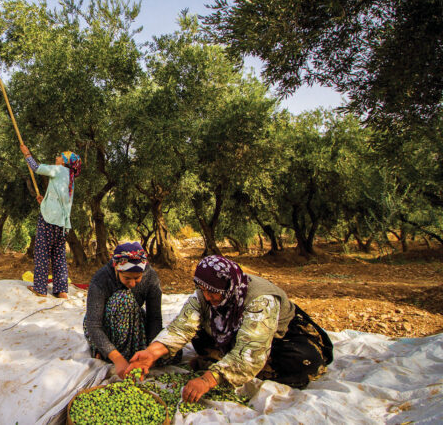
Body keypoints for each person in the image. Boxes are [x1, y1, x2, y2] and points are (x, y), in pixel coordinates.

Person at [125, 255, 334, 403]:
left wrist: (208, 379)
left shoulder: (260, 300)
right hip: (234, 334)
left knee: (302, 362)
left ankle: (231, 367)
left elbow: (252, 349)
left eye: (213, 292)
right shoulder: (204, 296)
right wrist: (151, 353)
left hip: (279, 337)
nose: (207, 297)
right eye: (203, 290)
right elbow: (180, 327)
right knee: (197, 334)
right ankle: (229, 364)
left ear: (229, 287)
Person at [83, 242, 172, 378]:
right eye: (127, 278)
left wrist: (149, 353)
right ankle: (109, 352)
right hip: (106, 326)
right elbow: (93, 325)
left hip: (133, 319)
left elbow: (154, 318)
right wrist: (117, 359)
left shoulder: (151, 277)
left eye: (137, 278)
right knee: (122, 298)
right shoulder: (101, 279)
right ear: (117, 269)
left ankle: (134, 353)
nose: (132, 284)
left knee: (170, 353)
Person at [20, 144, 81, 299]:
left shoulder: (59, 169)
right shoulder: (70, 178)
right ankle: (61, 291)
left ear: (64, 162)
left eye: (60, 156)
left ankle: (40, 288)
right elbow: (60, 199)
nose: (57, 157)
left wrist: (27, 154)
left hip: (49, 220)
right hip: (62, 224)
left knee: (42, 252)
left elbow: (37, 168)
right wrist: (44, 202)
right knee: (58, 255)